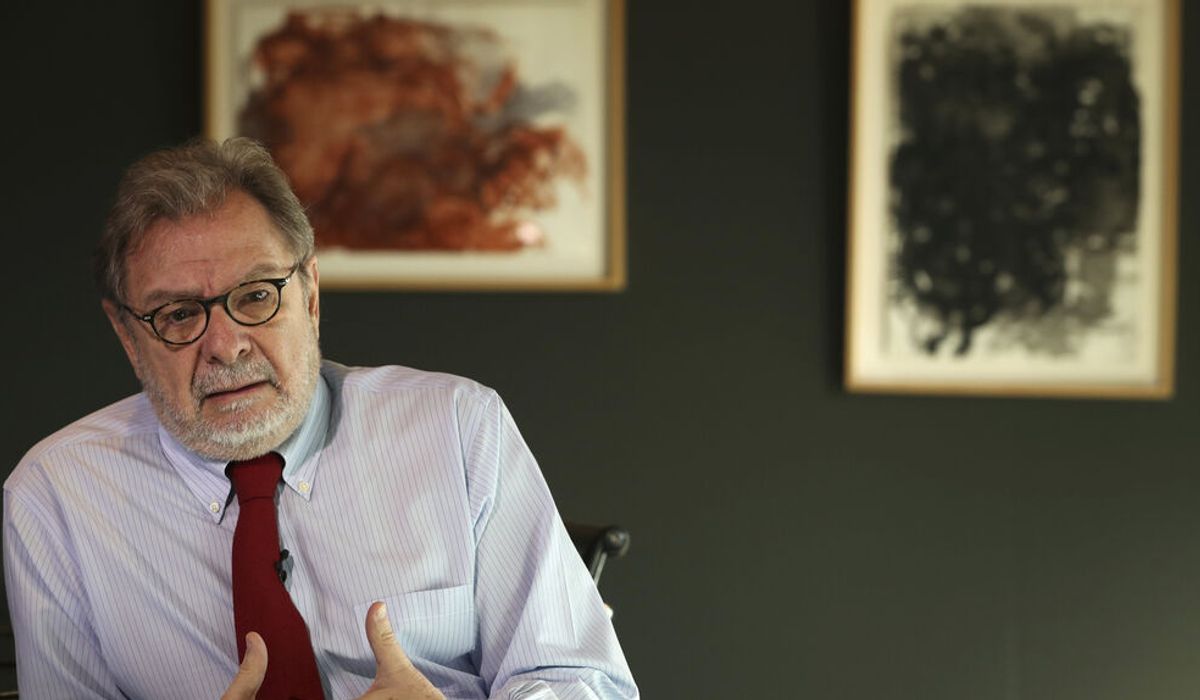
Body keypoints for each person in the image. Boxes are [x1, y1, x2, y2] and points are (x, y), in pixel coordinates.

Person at [3, 138, 638, 699]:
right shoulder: (56, 495)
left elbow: (585, 683)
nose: (225, 346)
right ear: (127, 334)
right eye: (178, 315)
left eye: (256, 295)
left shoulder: (459, 427)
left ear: (309, 294)